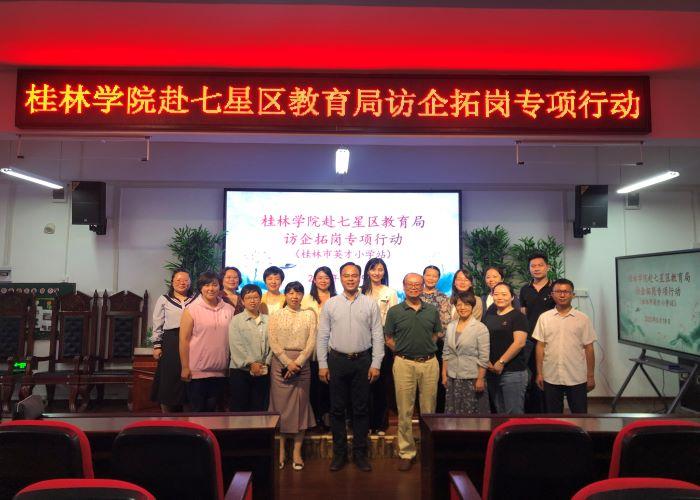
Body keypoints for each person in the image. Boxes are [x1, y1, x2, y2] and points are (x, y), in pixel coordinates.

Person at [317, 262, 384, 473]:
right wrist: (322, 364)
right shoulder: (330, 304)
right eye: (346, 275)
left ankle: (360, 454)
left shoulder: (370, 304)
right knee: (337, 410)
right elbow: (322, 336)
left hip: (362, 361)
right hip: (337, 361)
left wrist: (376, 363)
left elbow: (378, 335)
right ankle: (339, 455)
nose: (350, 279)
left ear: (360, 277)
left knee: (361, 409)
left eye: (354, 275)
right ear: (340, 278)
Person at [384, 273, 441, 471]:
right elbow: (388, 338)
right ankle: (406, 452)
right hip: (404, 364)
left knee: (429, 411)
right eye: (410, 284)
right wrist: (403, 351)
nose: (414, 287)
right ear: (404, 286)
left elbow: (436, 334)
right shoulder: (394, 311)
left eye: (418, 284)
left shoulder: (432, 310)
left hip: (429, 363)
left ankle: (428, 451)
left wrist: (424, 349)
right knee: (404, 410)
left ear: (423, 286)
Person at [268, 281, 317, 471]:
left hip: (302, 365)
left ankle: (297, 452)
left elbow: (312, 341)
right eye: (290, 293)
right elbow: (272, 340)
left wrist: (299, 362)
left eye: (298, 293)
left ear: (303, 295)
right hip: (280, 363)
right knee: (281, 408)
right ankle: (281, 451)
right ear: (285, 295)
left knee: (301, 406)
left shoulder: (309, 315)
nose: (294, 296)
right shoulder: (276, 314)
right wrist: (287, 362)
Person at [533, 278, 596, 414]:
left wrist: (590, 376)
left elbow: (589, 348)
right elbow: (540, 346)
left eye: (566, 292)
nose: (562, 295)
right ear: (552, 294)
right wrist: (539, 373)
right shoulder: (544, 318)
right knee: (553, 416)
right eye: (558, 291)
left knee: (580, 415)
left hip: (576, 376)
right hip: (551, 375)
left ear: (573, 295)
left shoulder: (583, 319)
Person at [179, 271, 235, 412]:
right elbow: (183, 340)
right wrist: (185, 367)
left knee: (215, 415)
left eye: (214, 285)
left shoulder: (229, 310)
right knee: (197, 413)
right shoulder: (191, 310)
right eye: (206, 285)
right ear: (200, 287)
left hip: (221, 372)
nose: (211, 289)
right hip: (197, 373)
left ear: (220, 286)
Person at [361, 257, 398, 436]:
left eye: (380, 269)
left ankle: (380, 424)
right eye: (373, 269)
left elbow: (393, 318)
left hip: (383, 342)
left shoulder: (390, 292)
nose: (377, 273)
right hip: (362, 343)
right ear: (367, 271)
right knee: (363, 385)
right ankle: (365, 424)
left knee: (381, 384)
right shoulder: (360, 291)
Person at [150, 268, 195, 412]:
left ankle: (189, 415)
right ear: (172, 282)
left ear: (190, 282)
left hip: (193, 340)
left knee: (190, 376)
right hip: (171, 341)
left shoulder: (197, 299)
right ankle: (168, 414)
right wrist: (157, 346)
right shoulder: (164, 299)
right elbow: (157, 322)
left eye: (186, 280)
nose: (182, 283)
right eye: (178, 280)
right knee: (170, 378)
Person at [483, 282, 529, 414]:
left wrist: (501, 362)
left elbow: (519, 343)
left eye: (504, 294)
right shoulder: (489, 316)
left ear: (512, 297)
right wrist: (487, 361)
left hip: (512, 372)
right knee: (500, 412)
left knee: (514, 413)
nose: (500, 297)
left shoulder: (518, 316)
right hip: (492, 370)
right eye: (496, 294)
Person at [301, 266, 337, 431]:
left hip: (332, 347)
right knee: (314, 386)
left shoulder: (337, 298)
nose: (323, 281)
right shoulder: (306, 299)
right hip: (311, 348)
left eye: (327, 278)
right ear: (314, 280)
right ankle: (315, 418)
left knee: (331, 385)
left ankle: (329, 418)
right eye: (320, 278)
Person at [443, 291, 490, 415]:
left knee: (471, 416)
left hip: (472, 379)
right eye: (459, 305)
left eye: (466, 305)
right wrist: (444, 374)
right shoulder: (451, 326)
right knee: (453, 415)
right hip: (453, 378)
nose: (462, 308)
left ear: (472, 306)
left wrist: (480, 379)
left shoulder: (480, 328)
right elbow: (446, 352)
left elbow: (484, 357)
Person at [519, 253, 555, 413]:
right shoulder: (525, 289)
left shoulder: (555, 288)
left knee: (550, 376)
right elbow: (523, 314)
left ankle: (550, 413)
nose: (536, 268)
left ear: (548, 267)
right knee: (533, 376)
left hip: (551, 340)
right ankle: (532, 413)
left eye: (540, 265)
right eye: (533, 266)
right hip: (531, 340)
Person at [228, 284, 271, 412]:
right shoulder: (236, 320)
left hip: (263, 370)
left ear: (260, 299)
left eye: (256, 297)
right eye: (248, 298)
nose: (252, 301)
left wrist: (266, 363)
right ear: (242, 301)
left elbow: (272, 344)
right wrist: (251, 363)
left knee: (259, 407)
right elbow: (236, 345)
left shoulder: (268, 320)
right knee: (240, 408)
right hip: (240, 371)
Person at [420, 265, 451, 412]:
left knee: (437, 382)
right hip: (416, 344)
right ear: (423, 276)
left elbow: (445, 323)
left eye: (434, 276)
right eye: (428, 275)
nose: (431, 278)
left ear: (438, 278)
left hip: (437, 345)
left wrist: (432, 338)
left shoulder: (443, 298)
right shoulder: (416, 295)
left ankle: (438, 416)